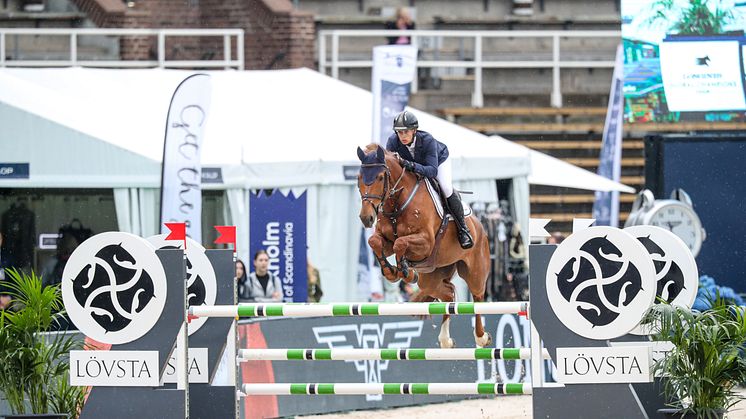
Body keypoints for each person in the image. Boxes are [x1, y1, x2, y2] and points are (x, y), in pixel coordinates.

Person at [386, 110, 474, 249]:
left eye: (406, 132)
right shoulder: (392, 142)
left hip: (438, 162)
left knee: (445, 187)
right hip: (412, 168)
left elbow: (432, 171)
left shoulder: (427, 140)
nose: (402, 136)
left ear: (414, 130)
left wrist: (411, 165)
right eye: (399, 132)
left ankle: (463, 229)